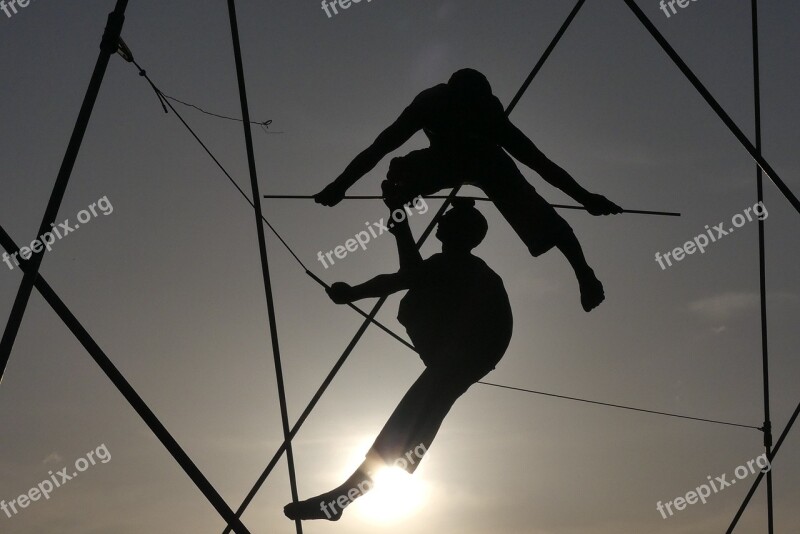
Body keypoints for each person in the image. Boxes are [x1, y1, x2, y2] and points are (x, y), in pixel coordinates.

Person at [284, 193, 513, 522]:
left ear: (459, 232)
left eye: (446, 218)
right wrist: (400, 226)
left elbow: (401, 279)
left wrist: (352, 293)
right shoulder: (452, 268)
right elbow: (414, 276)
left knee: (416, 413)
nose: (439, 220)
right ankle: (345, 496)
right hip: (466, 349)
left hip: (469, 349)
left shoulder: (453, 265)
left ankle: (343, 497)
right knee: (423, 412)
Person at [314, 68, 622, 311]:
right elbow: (380, 147)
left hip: (486, 162)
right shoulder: (429, 104)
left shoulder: (491, 116)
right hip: (443, 160)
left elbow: (540, 164)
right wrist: (340, 186)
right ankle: (399, 209)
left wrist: (586, 198)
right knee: (399, 169)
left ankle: (584, 274)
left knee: (540, 214)